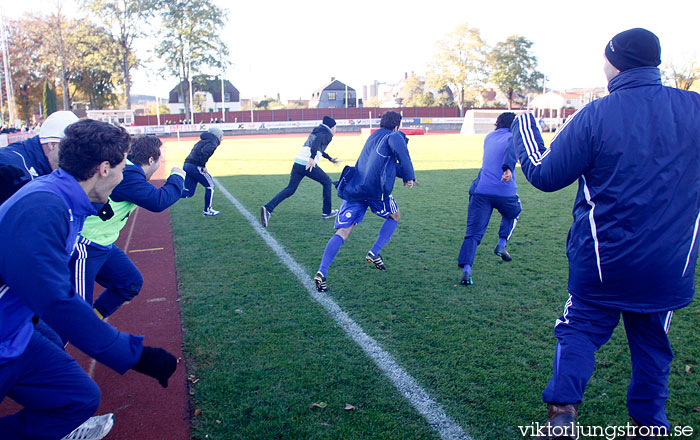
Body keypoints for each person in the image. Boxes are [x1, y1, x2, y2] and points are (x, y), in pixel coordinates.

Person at [510, 28, 700, 439]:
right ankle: (651, 425)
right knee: (652, 345)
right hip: (669, 265)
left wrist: (523, 124)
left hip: (602, 262)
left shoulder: (597, 113)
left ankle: (562, 414)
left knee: (578, 329)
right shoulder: (695, 108)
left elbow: (544, 175)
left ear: (615, 61)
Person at [0, 119, 177, 440]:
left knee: (78, 398)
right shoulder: (44, 206)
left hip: (14, 337)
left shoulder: (65, 199)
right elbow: (56, 301)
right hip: (4, 340)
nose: (125, 177)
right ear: (104, 169)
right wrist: (135, 355)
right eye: (124, 168)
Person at [70, 135, 185, 319]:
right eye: (159, 160)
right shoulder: (128, 175)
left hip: (102, 244)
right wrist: (178, 177)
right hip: (85, 244)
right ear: (150, 160)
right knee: (74, 313)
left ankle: (93, 320)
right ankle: (57, 341)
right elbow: (158, 201)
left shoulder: (130, 172)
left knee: (128, 282)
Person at [313, 111, 417, 292]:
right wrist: (409, 176)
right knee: (395, 215)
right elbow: (403, 155)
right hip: (375, 191)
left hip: (356, 187)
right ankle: (374, 252)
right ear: (397, 126)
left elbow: (386, 165)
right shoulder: (394, 136)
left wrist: (405, 174)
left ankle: (321, 273)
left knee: (343, 231)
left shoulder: (373, 137)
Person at [457, 112, 521, 286]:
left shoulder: (489, 137)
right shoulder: (514, 137)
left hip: (481, 191)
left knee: (472, 234)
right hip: (504, 191)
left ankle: (467, 270)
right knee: (514, 212)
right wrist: (508, 168)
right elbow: (512, 150)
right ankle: (501, 244)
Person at [261, 116, 339, 227]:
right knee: (327, 182)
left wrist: (329, 158)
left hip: (298, 163)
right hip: (308, 164)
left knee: (290, 189)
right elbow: (316, 143)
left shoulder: (317, 131)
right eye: (335, 127)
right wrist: (312, 159)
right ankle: (327, 212)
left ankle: (267, 208)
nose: (336, 130)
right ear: (331, 127)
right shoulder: (328, 134)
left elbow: (318, 147)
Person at [0, 110, 79, 185]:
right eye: (71, 150)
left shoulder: (43, 164)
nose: (76, 159)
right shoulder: (12, 164)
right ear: (52, 145)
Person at [181, 126, 223, 216]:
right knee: (210, 186)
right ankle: (207, 210)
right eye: (221, 136)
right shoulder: (212, 142)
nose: (222, 138)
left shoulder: (203, 140)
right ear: (217, 135)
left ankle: (169, 193)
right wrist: (203, 165)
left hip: (187, 164)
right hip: (195, 166)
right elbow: (204, 152)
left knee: (189, 192)